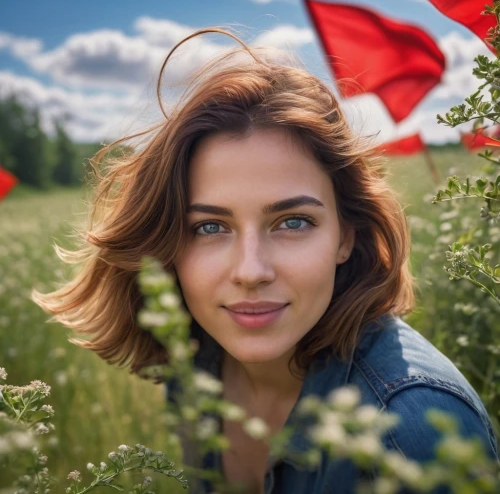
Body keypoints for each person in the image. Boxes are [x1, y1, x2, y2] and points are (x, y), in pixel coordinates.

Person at [32, 27, 499, 494]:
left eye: (293, 222)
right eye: (210, 227)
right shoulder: (195, 363)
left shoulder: (410, 432)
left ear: (345, 235)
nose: (251, 271)